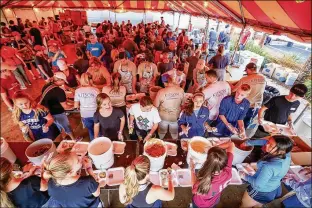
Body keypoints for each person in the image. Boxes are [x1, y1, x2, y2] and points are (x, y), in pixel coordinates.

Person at [239, 135, 293, 207]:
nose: (266, 145)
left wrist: (244, 176)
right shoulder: (286, 153)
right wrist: (248, 143)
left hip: (260, 191)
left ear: (281, 151)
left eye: (270, 145)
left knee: (244, 205)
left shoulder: (269, 166)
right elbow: (265, 141)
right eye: (268, 142)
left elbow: (258, 185)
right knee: (258, 205)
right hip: (273, 189)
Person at [191, 141, 235, 208]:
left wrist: (192, 170)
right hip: (215, 200)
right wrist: (213, 150)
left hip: (200, 204)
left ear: (207, 161)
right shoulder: (228, 170)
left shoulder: (204, 183)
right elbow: (231, 144)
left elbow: (194, 190)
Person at [40, 72, 77, 140]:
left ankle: (64, 137)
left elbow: (55, 98)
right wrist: (76, 105)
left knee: (59, 125)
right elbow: (65, 107)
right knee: (66, 126)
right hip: (57, 112)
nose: (63, 83)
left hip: (47, 112)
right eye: (63, 81)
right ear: (59, 80)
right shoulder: (59, 91)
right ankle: (74, 139)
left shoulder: (47, 85)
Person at [231, 63, 266, 127]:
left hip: (246, 105)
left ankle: (234, 130)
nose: (246, 72)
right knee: (247, 122)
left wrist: (229, 84)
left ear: (248, 69)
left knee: (238, 120)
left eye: (246, 70)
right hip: (257, 105)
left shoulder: (245, 79)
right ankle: (242, 133)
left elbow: (233, 90)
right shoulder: (263, 78)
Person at [154, 76, 184, 140]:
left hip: (163, 117)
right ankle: (176, 143)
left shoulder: (161, 91)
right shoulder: (180, 90)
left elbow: (156, 105)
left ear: (164, 83)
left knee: (162, 132)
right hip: (175, 117)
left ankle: (161, 141)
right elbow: (183, 104)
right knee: (174, 133)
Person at [74, 73, 100, 140]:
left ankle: (93, 145)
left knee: (90, 130)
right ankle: (101, 144)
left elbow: (76, 105)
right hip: (95, 113)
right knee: (98, 130)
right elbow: (100, 103)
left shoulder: (77, 91)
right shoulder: (96, 90)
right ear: (90, 80)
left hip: (84, 114)